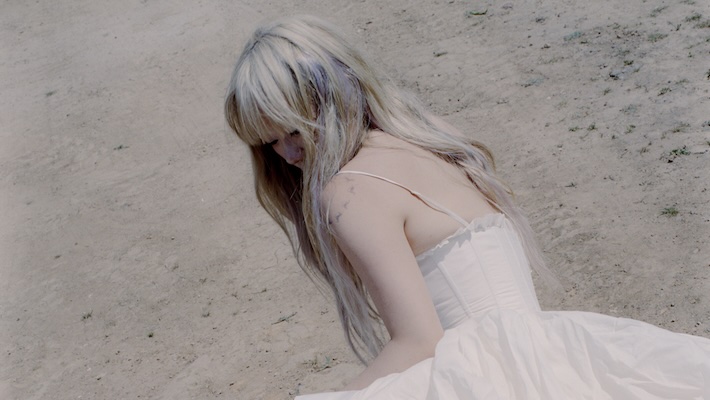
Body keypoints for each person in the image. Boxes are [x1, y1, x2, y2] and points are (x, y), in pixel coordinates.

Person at [224, 15, 710, 399]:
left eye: (294, 130)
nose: (287, 154)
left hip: (478, 376)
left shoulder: (349, 193)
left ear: (331, 99)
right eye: (270, 142)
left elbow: (420, 341)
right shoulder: (433, 138)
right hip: (547, 352)